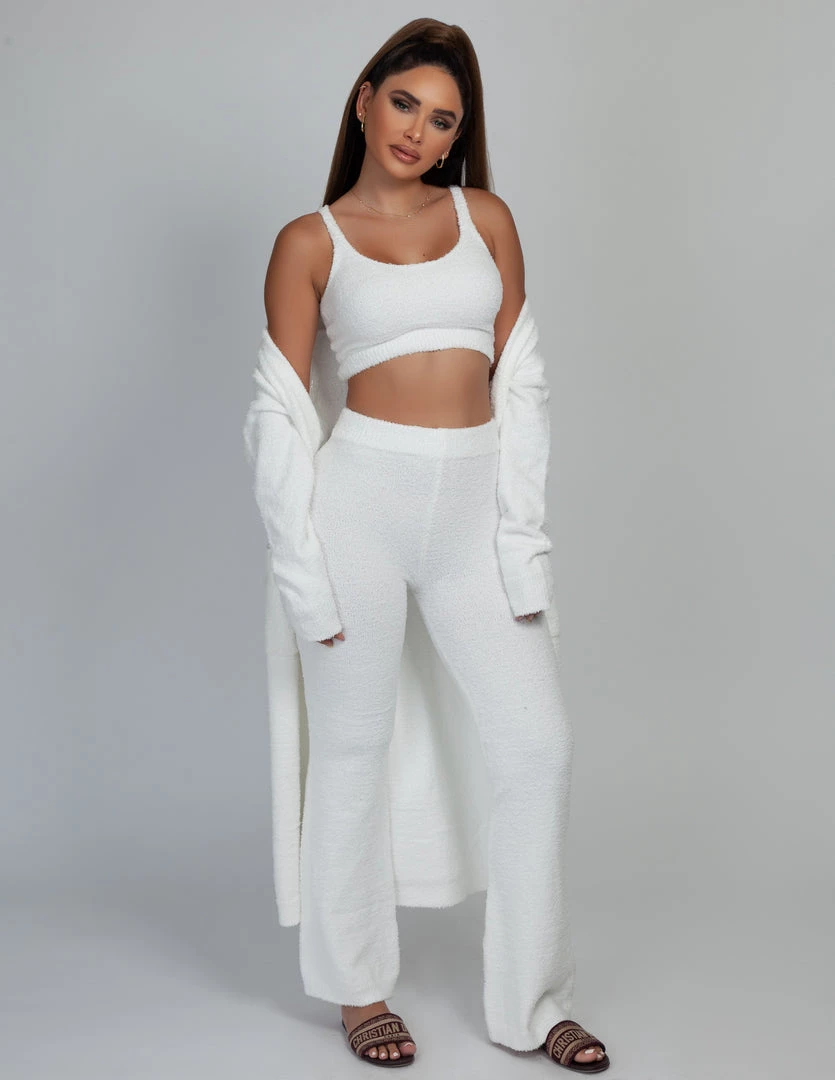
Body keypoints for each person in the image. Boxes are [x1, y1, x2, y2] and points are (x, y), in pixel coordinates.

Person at [257, 16, 610, 1074]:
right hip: (358, 506)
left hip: (472, 512)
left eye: (443, 119)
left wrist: (522, 538)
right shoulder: (308, 242)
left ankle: (533, 1001)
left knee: (536, 748)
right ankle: (359, 989)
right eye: (404, 103)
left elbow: (523, 383)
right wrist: (304, 579)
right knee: (352, 749)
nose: (418, 131)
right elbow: (279, 413)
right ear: (365, 100)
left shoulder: (483, 218)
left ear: (460, 136)